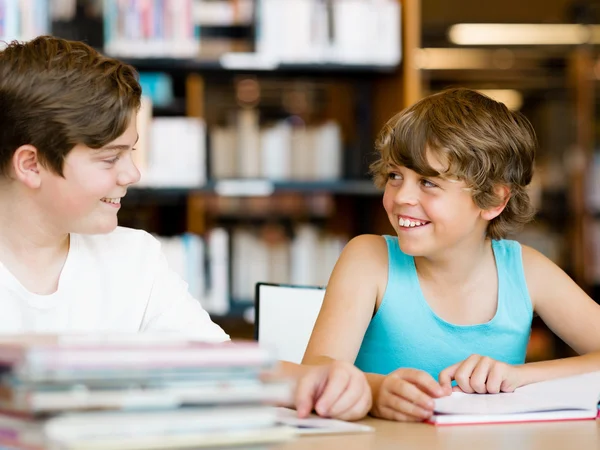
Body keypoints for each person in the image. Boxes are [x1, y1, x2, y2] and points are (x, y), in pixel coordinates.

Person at [0, 36, 371, 421]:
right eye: (110, 159)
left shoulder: (133, 258)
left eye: (131, 152)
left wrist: (312, 381)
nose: (132, 174)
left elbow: (213, 362)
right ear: (31, 165)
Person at [302, 87, 600, 422]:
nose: (402, 197)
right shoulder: (368, 260)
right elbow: (315, 372)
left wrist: (521, 377)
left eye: (428, 182)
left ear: (492, 200)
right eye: (395, 176)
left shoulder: (528, 271)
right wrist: (374, 391)